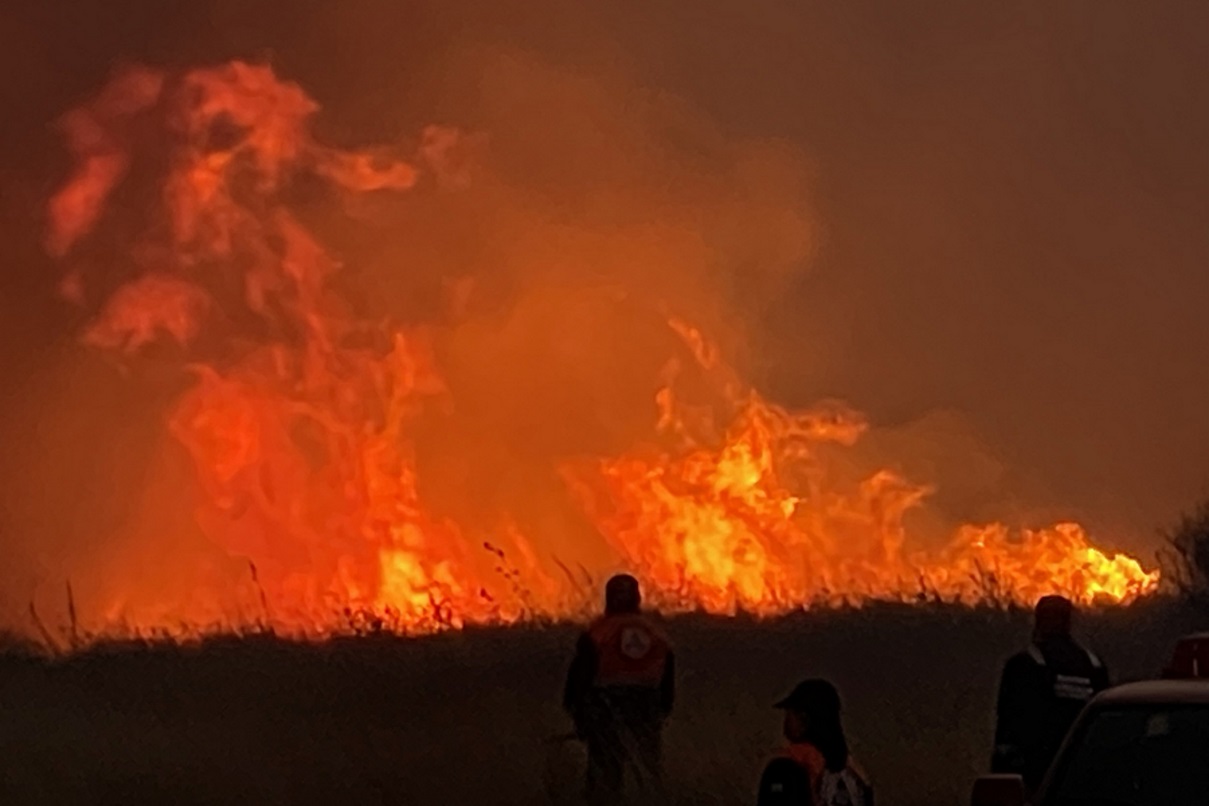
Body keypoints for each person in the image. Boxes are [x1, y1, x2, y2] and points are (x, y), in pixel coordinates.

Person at [563, 574, 675, 805]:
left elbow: (579, 677)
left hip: (607, 706)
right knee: (647, 771)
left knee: (605, 772)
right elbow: (667, 681)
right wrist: (660, 712)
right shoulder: (657, 635)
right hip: (646, 707)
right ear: (637, 598)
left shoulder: (597, 633)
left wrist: (577, 711)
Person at [991, 594, 1111, 792]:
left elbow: (1007, 728)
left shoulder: (1023, 665)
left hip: (1034, 774)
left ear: (1038, 621)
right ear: (1069, 622)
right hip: (1083, 774)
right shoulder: (1093, 665)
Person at [757, 678, 873, 806]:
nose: (785, 723)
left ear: (803, 719)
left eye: (789, 714)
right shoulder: (856, 776)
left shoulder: (785, 768)